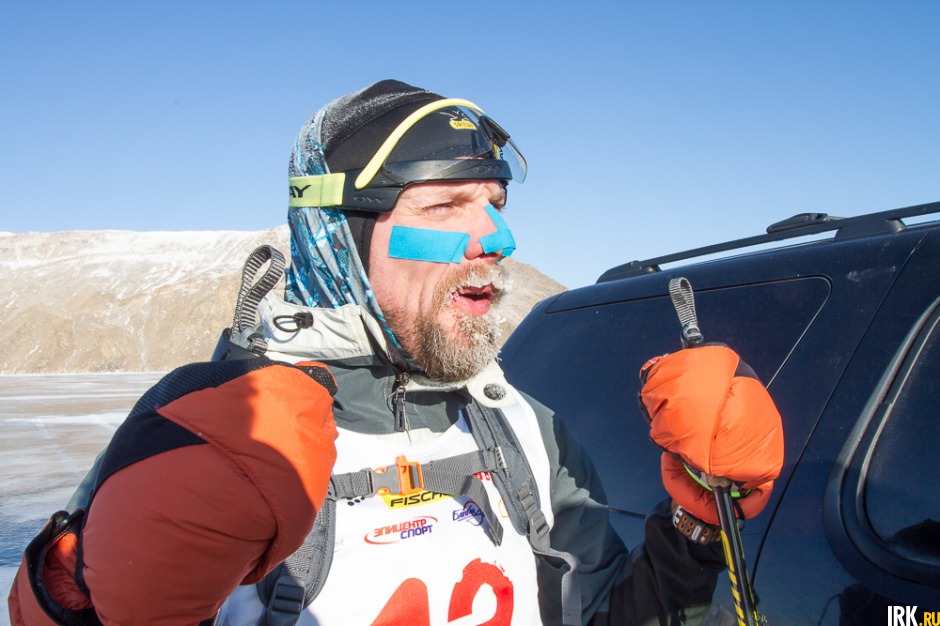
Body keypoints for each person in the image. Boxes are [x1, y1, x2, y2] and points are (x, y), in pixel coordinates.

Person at [9, 79, 784, 626]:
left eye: (496, 205)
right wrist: (79, 590)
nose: (498, 239)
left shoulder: (525, 430)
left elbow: (609, 614)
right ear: (338, 239)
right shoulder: (217, 431)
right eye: (445, 205)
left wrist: (696, 526)